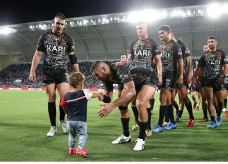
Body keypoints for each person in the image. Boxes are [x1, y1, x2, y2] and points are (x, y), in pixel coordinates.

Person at [29, 13, 79, 136]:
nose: (60, 26)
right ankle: (53, 127)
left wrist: (77, 72)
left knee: (64, 98)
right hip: (48, 71)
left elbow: (72, 57)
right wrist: (32, 71)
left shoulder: (67, 38)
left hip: (62, 71)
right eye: (58, 23)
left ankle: (62, 121)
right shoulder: (44, 37)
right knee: (51, 98)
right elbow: (38, 54)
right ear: (53, 22)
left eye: (62, 24)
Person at [91, 61, 158, 151]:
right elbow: (109, 99)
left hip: (150, 77)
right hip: (135, 80)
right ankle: (126, 136)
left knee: (140, 103)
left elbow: (131, 91)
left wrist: (112, 106)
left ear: (104, 69)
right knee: (122, 103)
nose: (96, 78)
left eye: (96, 75)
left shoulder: (120, 69)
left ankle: (141, 139)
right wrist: (102, 97)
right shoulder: (106, 77)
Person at [128, 22, 162, 136]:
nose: (139, 30)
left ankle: (147, 127)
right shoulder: (133, 44)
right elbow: (129, 60)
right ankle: (137, 121)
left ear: (146, 28)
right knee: (133, 102)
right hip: (135, 76)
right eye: (137, 29)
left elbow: (158, 60)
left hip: (148, 76)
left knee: (144, 102)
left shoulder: (153, 43)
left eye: (141, 28)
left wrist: (160, 75)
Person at [60, 72, 101, 157]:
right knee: (83, 134)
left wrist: (67, 113)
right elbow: (93, 95)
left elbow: (62, 105)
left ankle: (71, 149)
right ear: (81, 83)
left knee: (72, 135)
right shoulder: (84, 93)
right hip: (81, 121)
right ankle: (80, 148)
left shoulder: (66, 95)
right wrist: (99, 95)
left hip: (70, 120)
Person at [152, 25, 183, 133]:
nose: (160, 35)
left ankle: (160, 124)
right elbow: (156, 61)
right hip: (162, 74)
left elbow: (180, 62)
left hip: (171, 74)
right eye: (159, 33)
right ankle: (173, 123)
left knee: (163, 97)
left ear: (168, 32)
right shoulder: (159, 46)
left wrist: (181, 76)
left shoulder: (175, 45)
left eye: (162, 33)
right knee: (168, 99)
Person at [198, 36, 228, 128]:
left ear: (216, 43)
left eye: (212, 41)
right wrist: (199, 80)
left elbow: (225, 66)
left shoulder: (221, 53)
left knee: (219, 101)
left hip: (218, 80)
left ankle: (218, 116)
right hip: (207, 81)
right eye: (209, 42)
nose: (210, 43)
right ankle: (213, 121)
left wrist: (223, 76)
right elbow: (201, 69)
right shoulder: (204, 55)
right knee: (210, 100)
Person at [170, 32, 195, 127]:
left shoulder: (181, 44)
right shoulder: (165, 46)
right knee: (170, 98)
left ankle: (191, 118)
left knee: (183, 96)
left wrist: (190, 73)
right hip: (170, 75)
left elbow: (189, 60)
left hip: (181, 75)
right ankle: (177, 110)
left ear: (171, 34)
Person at [195, 44, 209, 122]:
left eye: (206, 48)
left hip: (213, 80)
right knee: (204, 98)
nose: (204, 49)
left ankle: (217, 116)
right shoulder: (201, 58)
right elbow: (198, 69)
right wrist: (196, 79)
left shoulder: (216, 56)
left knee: (214, 99)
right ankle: (205, 116)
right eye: (203, 48)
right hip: (203, 80)